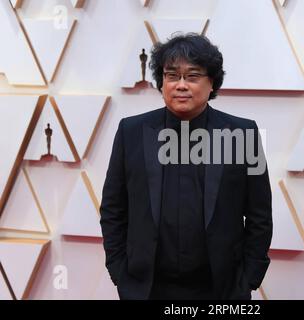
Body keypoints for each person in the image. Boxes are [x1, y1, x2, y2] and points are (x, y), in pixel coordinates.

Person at [100, 33, 272, 300]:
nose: (181, 85)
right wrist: (120, 272)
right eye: (172, 76)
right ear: (161, 82)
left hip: (220, 290)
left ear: (211, 83)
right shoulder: (131, 131)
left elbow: (260, 215)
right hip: (147, 289)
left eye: (192, 76)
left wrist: (248, 279)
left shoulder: (243, 133)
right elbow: (113, 208)